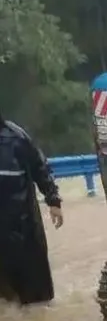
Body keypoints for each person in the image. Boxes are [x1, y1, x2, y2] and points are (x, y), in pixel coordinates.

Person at [0, 115, 64, 305]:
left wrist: (53, 201)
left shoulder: (16, 138)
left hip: (23, 226)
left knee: (35, 299)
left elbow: (40, 168)